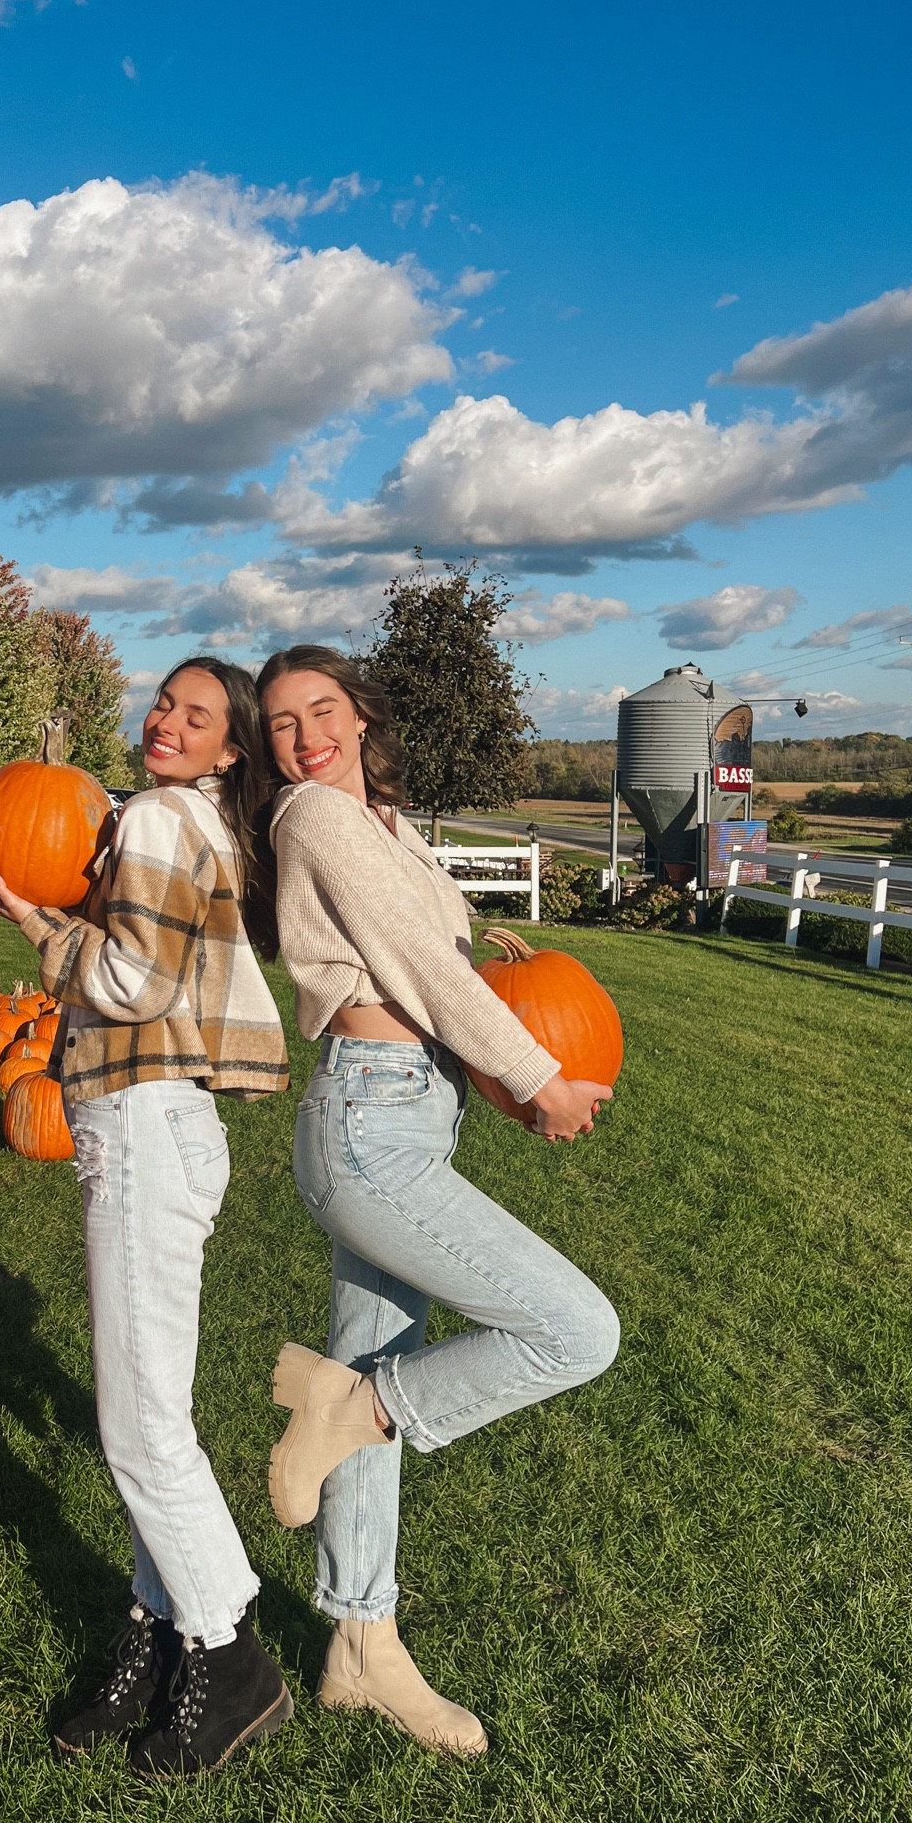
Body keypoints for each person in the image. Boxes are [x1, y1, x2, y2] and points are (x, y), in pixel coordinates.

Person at [256, 644, 620, 1758]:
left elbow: (437, 940)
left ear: (362, 716)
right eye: (279, 723)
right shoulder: (312, 816)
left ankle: (361, 1646)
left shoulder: (382, 824)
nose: (306, 734)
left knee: (376, 1364)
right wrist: (535, 1074)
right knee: (574, 1328)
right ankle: (350, 1410)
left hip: (407, 1113)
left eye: (322, 710)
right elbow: (421, 961)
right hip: (371, 1129)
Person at [0, 659, 292, 1779]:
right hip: (164, 1125)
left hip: (145, 1126)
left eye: (196, 716)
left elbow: (133, 982)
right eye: (164, 702)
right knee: (157, 1405)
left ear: (230, 749)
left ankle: (230, 1652)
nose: (167, 721)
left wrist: (42, 930)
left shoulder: (156, 814)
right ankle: (155, 1632)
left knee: (139, 1427)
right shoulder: (189, 820)